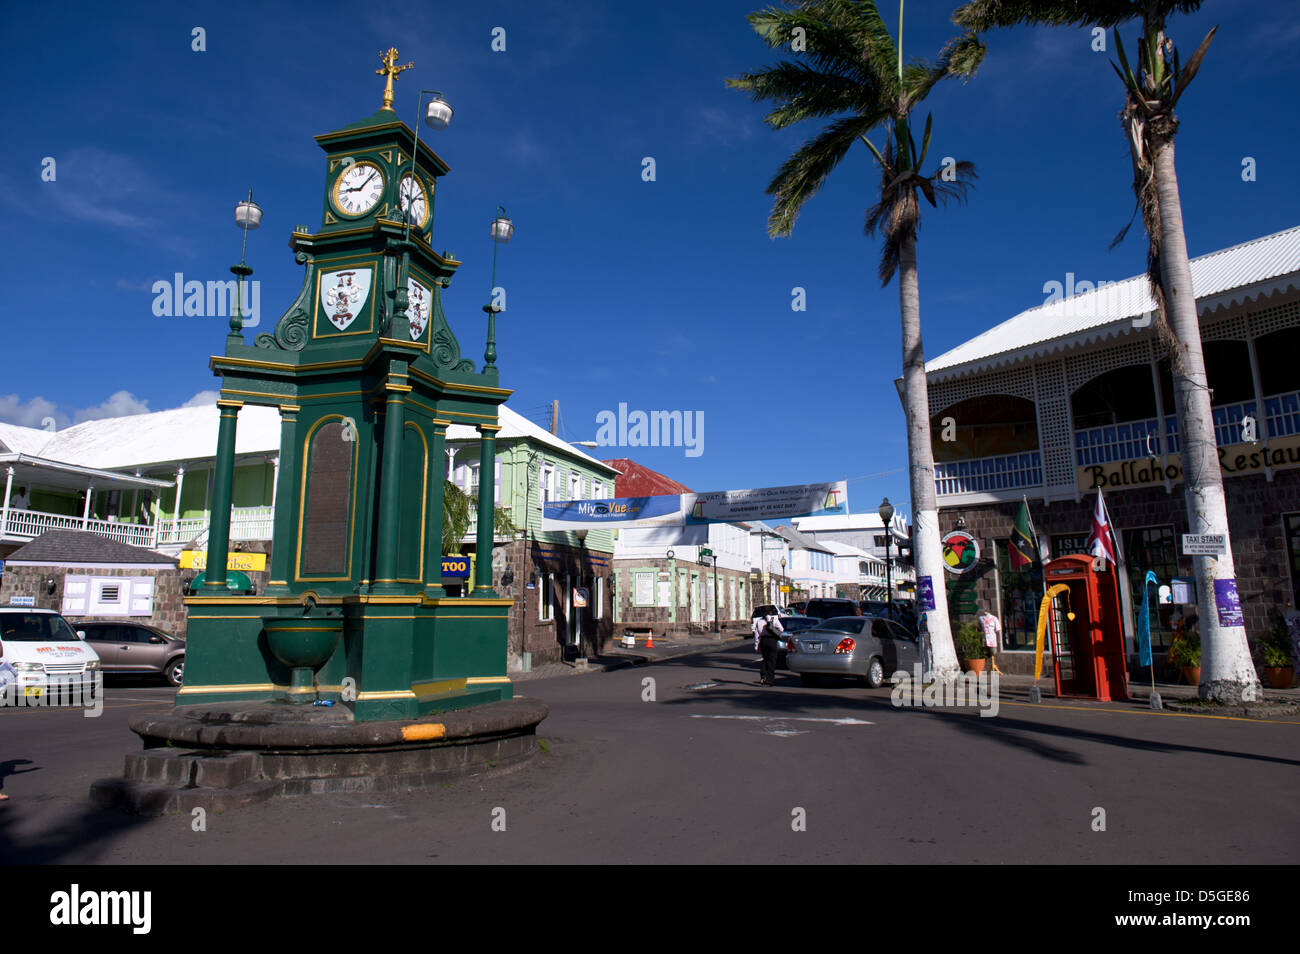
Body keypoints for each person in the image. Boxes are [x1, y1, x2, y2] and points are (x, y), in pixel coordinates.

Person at [755, 612, 783, 686]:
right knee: (772, 660)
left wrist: (756, 645)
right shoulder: (774, 619)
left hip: (763, 641)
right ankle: (770, 680)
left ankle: (763, 675)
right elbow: (781, 629)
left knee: (765, 659)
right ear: (770, 613)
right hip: (772, 641)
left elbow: (757, 634)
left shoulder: (759, 621)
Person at [976, 602, 1002, 674]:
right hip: (984, 639)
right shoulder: (981, 619)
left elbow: (998, 629)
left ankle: (993, 666)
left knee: (993, 652)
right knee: (984, 652)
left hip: (992, 639)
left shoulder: (994, 619)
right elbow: (979, 628)